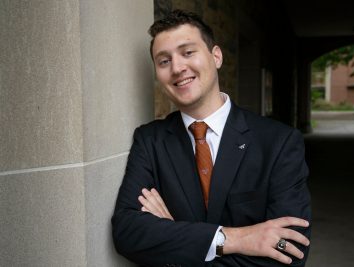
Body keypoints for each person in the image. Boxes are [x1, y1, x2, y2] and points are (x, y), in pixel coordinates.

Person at [112, 9, 311, 267]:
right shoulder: (150, 140)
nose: (177, 67)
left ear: (216, 56)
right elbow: (127, 232)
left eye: (188, 52)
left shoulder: (278, 142)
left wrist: (175, 242)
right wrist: (234, 237)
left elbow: (290, 251)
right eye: (163, 61)